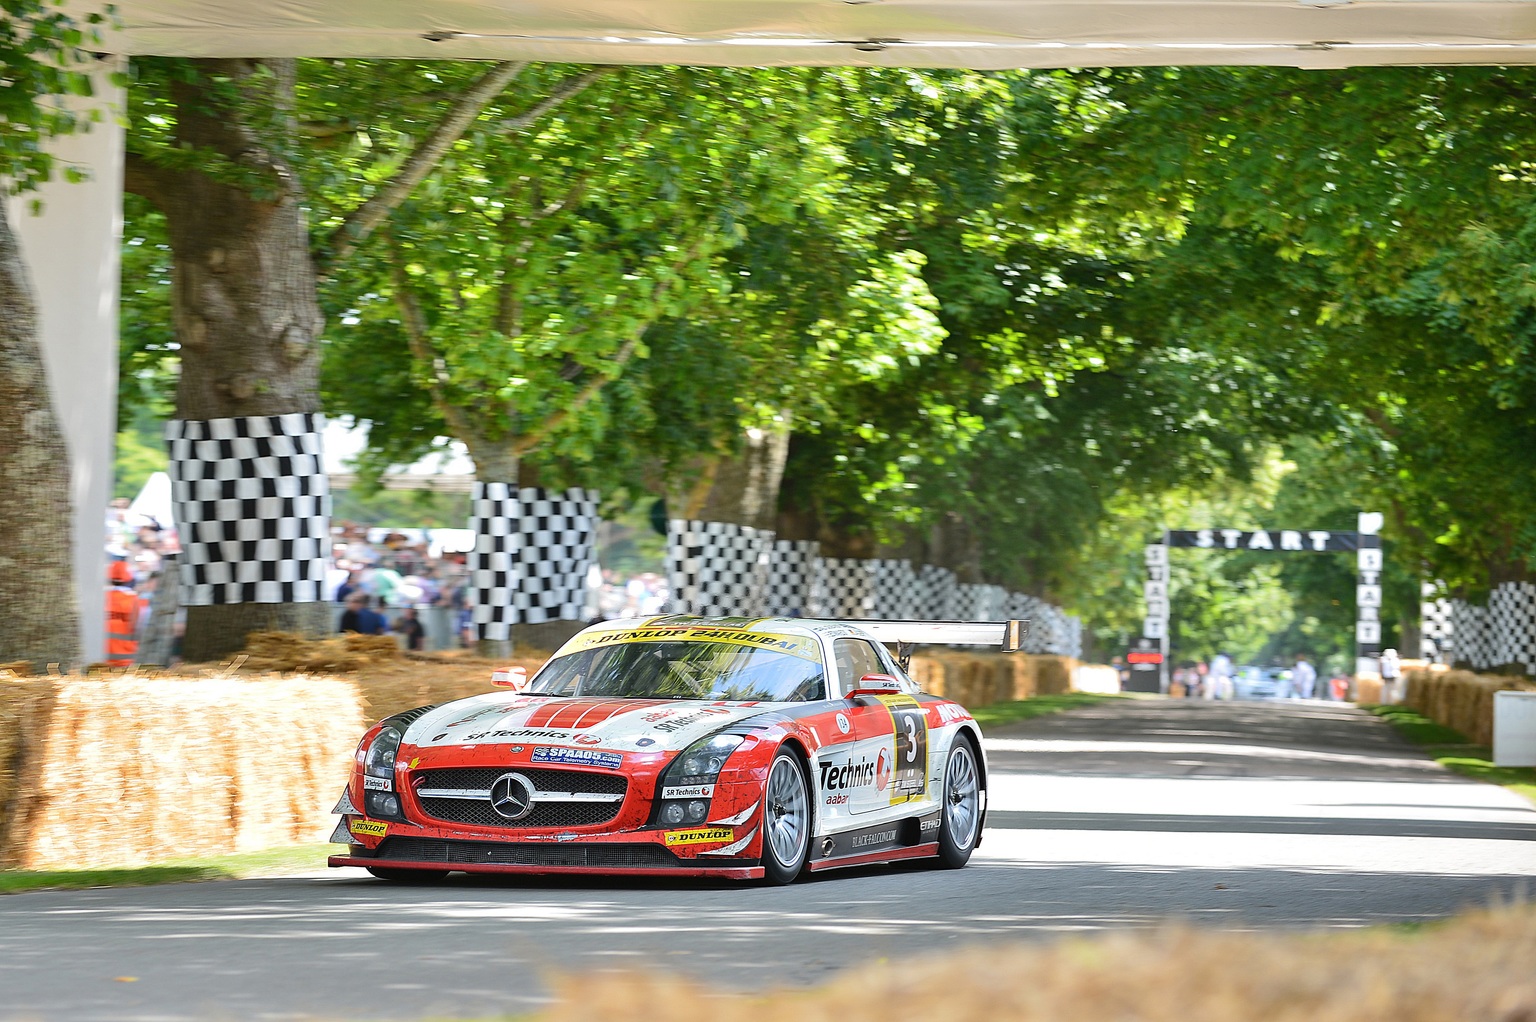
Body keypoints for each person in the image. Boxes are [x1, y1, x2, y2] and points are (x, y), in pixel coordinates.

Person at [105, 560, 140, 666]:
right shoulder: (134, 599)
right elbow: (138, 627)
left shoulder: (103, 598)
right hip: (126, 659)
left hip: (103, 657)